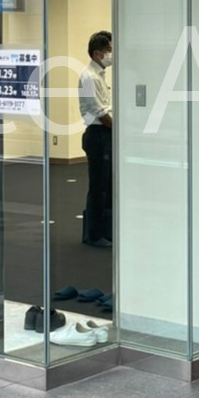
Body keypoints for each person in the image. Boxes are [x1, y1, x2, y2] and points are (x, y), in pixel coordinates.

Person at [79, 30, 113, 248]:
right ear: (97, 53)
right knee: (98, 186)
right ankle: (93, 235)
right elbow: (100, 112)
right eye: (109, 50)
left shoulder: (100, 75)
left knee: (107, 185)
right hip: (97, 134)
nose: (112, 54)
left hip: (104, 133)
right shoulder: (89, 77)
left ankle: (104, 230)